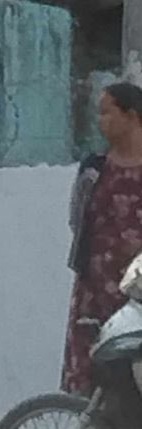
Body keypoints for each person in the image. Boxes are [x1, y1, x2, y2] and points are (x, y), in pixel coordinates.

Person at [62, 81, 142, 395]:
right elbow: (77, 219)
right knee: (92, 371)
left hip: (138, 292)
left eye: (107, 112)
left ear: (132, 116)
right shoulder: (94, 169)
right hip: (95, 289)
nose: (101, 121)